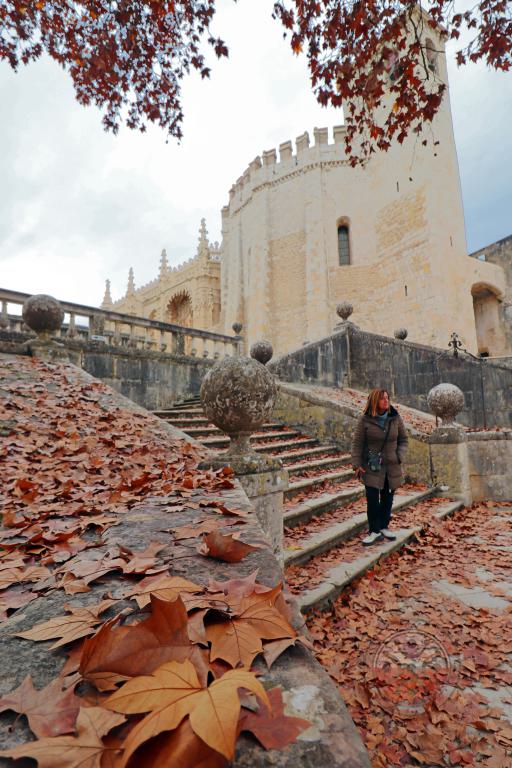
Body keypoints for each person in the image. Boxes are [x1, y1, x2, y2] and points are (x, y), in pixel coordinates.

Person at [351, 388, 408, 545]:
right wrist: (356, 464)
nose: (386, 401)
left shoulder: (395, 418)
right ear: (375, 401)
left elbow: (403, 439)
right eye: (382, 398)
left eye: (387, 398)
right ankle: (374, 530)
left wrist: (399, 456)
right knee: (372, 499)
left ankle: (383, 526)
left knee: (387, 498)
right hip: (372, 465)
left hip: (391, 466)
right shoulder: (365, 420)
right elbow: (357, 443)